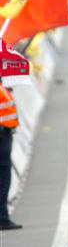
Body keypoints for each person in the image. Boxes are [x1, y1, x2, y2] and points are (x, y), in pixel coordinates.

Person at [0, 80, 21, 230]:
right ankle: (2, 218)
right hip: (2, 135)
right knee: (3, 177)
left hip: (4, 134)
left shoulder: (3, 88)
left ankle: (3, 216)